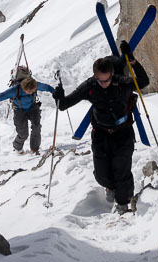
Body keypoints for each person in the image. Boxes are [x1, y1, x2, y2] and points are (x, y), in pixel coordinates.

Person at [52, 41, 148, 213]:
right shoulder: (90, 86)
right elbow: (65, 104)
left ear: (112, 73)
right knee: (102, 174)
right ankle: (110, 187)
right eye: (100, 80)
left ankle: (123, 205)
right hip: (101, 134)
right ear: (95, 75)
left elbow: (143, 81)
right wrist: (59, 97)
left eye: (107, 80)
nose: (104, 83)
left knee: (122, 169)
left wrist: (132, 61)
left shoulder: (122, 83)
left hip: (123, 132)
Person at [0, 74, 55, 155]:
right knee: (23, 134)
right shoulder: (14, 90)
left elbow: (48, 87)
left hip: (33, 107)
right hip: (19, 111)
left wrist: (56, 93)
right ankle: (17, 147)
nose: (31, 92)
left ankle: (34, 149)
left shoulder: (35, 85)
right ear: (23, 88)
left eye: (33, 91)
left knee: (36, 127)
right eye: (29, 91)